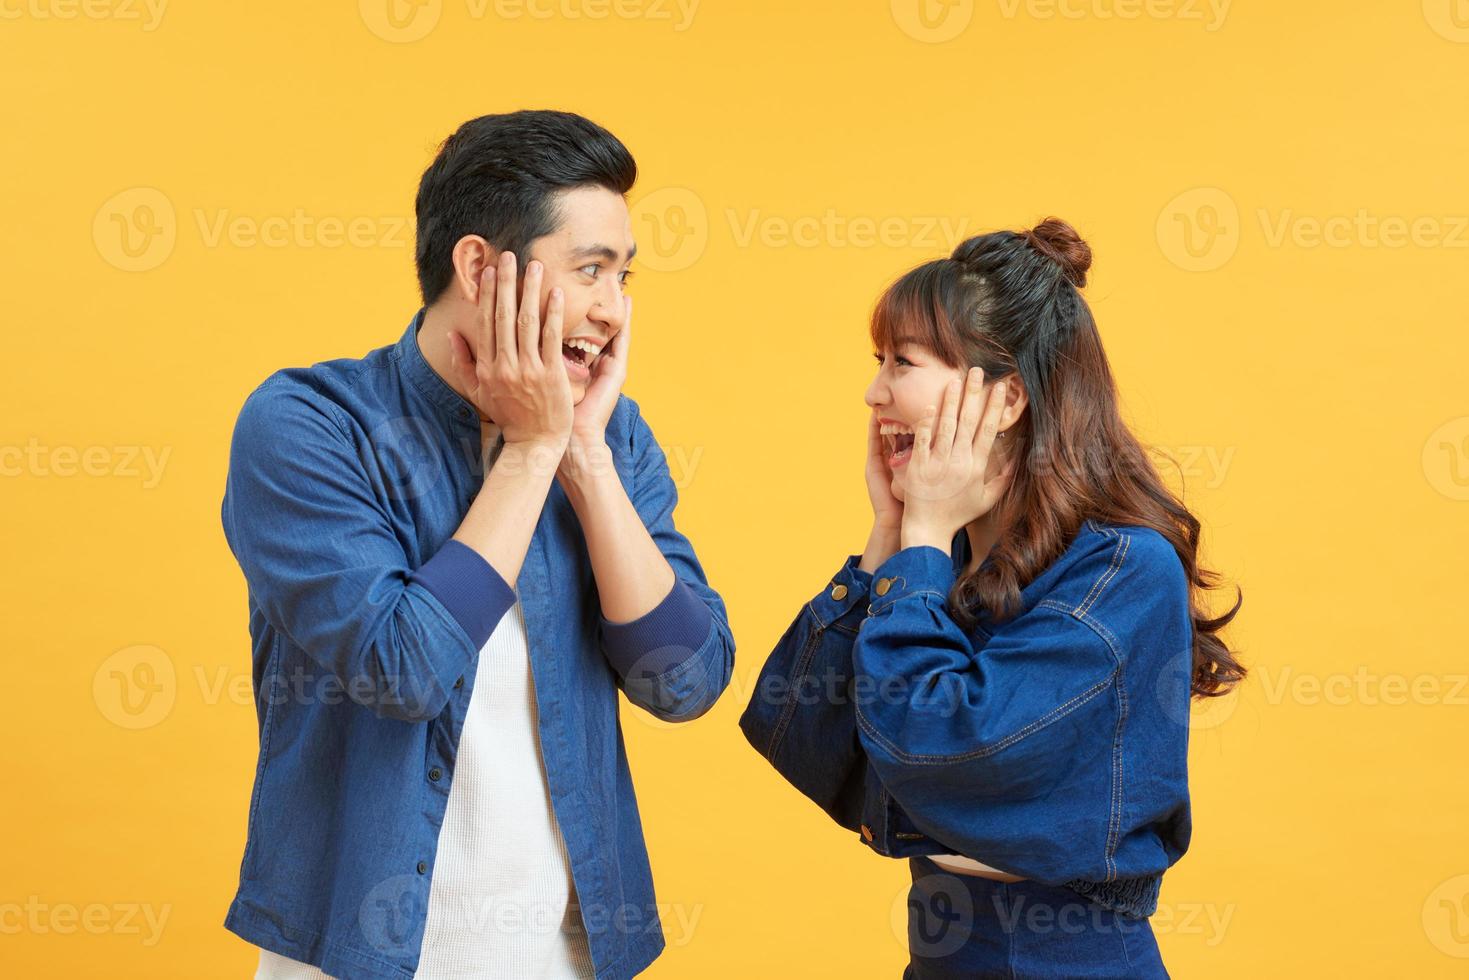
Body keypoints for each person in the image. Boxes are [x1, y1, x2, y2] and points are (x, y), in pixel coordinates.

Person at [220, 110, 734, 980]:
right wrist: (531, 452)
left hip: (567, 959)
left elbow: (685, 682)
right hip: (355, 958)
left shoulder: (612, 437)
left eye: (623, 277)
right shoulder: (310, 426)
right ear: (478, 266)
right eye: (589, 270)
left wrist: (582, 458)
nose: (612, 310)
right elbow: (403, 667)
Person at [740, 218, 1243, 978]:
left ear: (1005, 399)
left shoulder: (1121, 570)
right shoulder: (953, 556)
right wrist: (889, 537)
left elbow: (935, 742)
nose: (873, 391)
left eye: (900, 362)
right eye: (877, 361)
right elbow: (800, 736)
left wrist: (919, 547)